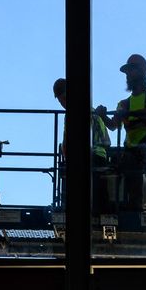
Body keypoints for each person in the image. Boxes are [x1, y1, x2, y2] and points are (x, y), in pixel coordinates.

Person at [97, 54, 146, 212]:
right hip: (131, 147)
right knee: (132, 183)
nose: (128, 75)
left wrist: (129, 115)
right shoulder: (123, 103)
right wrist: (103, 115)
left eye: (131, 70)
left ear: (142, 72)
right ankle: (134, 213)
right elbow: (113, 125)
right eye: (127, 72)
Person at [53, 77, 113, 212]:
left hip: (85, 158)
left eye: (63, 98)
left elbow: (68, 143)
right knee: (99, 195)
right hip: (101, 158)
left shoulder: (73, 113)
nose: (62, 103)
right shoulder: (92, 111)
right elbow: (107, 140)